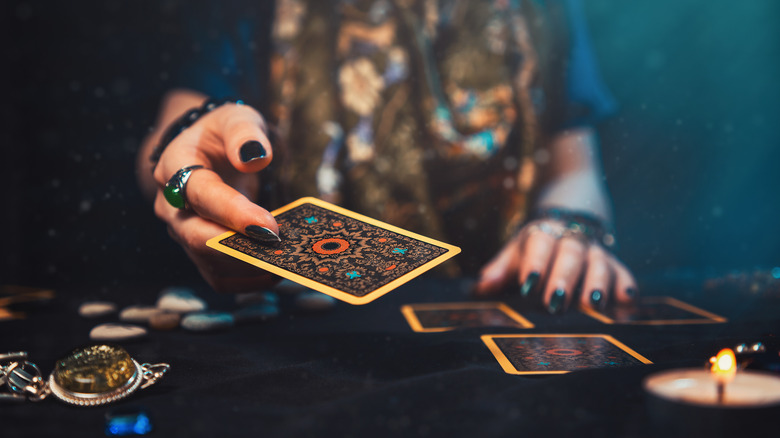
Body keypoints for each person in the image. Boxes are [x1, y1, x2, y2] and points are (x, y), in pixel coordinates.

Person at [136, 0, 637, 314]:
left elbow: (575, 174)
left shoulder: (541, 8)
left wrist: (567, 227)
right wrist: (184, 170)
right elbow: (174, 136)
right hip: (309, 331)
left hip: (487, 310)